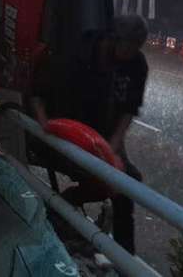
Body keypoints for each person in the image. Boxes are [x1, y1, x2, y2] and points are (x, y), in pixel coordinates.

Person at [29, 14, 149, 254]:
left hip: (103, 137)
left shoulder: (137, 64)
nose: (132, 52)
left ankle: (125, 258)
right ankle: (59, 209)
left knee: (127, 184)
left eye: (137, 47)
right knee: (103, 181)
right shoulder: (78, 55)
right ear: (114, 39)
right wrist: (45, 127)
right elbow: (37, 91)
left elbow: (128, 110)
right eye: (129, 45)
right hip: (67, 132)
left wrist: (113, 146)